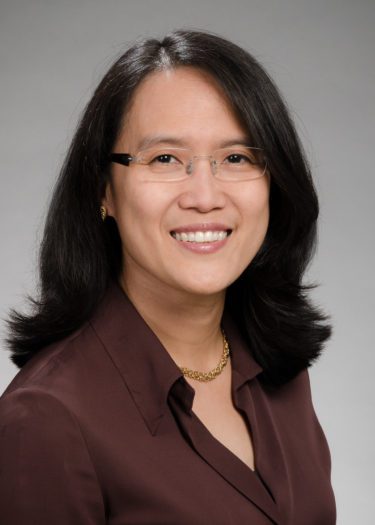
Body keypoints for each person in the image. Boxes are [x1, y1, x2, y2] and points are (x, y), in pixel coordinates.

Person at [0, 30, 336, 524]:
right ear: (103, 191)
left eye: (236, 158)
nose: (205, 195)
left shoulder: (277, 371)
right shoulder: (44, 423)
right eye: (165, 159)